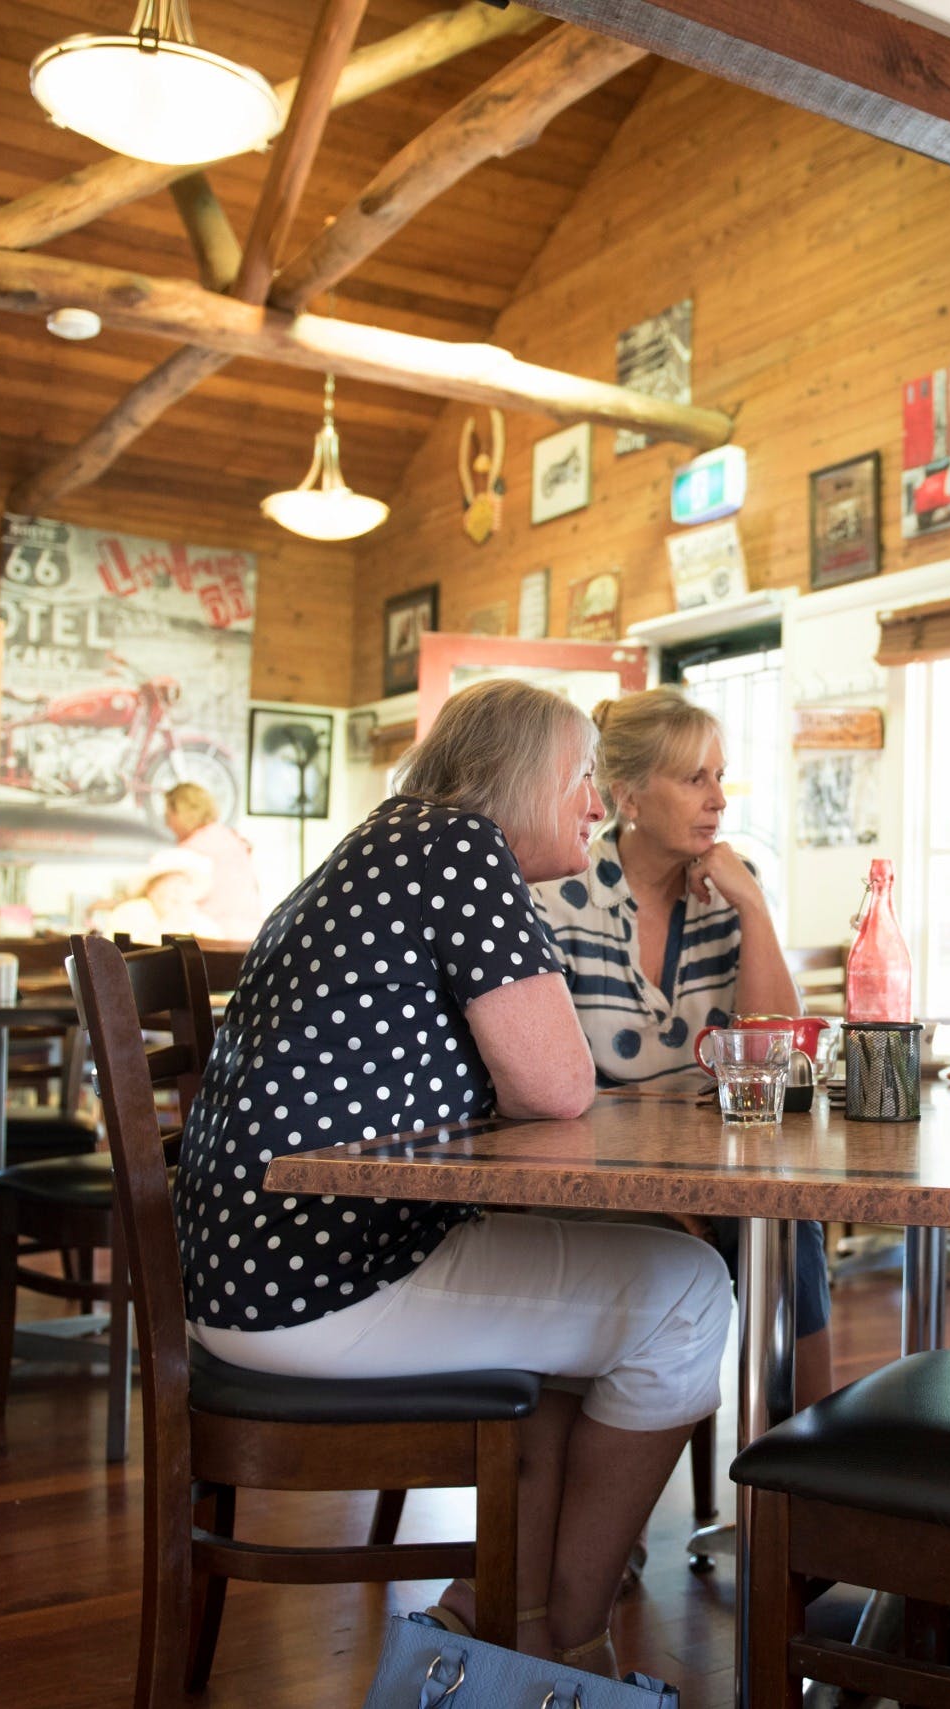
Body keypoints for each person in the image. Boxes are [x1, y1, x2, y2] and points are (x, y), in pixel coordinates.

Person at [174, 678, 731, 1678]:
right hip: (320, 1275)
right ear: (518, 779)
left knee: (620, 1287)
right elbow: (559, 1084)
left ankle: (505, 1611)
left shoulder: (386, 844)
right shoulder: (459, 850)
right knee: (689, 1293)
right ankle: (571, 1635)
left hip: (255, 1263)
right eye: (579, 781)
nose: (594, 807)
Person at [533, 689, 838, 1410]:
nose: (719, 800)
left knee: (791, 1225)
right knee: (705, 1236)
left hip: (712, 1163)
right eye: (695, 778)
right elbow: (547, 1088)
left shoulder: (730, 889)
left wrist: (754, 908)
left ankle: (810, 1466)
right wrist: (659, 1194)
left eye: (721, 776)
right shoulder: (559, 897)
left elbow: (775, 1053)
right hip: (586, 1167)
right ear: (629, 796)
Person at [162, 781, 267, 941]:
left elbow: (168, 899)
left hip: (215, 936)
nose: (167, 823)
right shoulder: (230, 838)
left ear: (183, 812)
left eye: (169, 815)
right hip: (251, 934)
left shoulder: (193, 848)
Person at [99, 846, 218, 945]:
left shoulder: (202, 923)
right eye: (170, 883)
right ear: (151, 889)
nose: (178, 891)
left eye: (184, 884)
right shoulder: (128, 914)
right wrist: (169, 923)